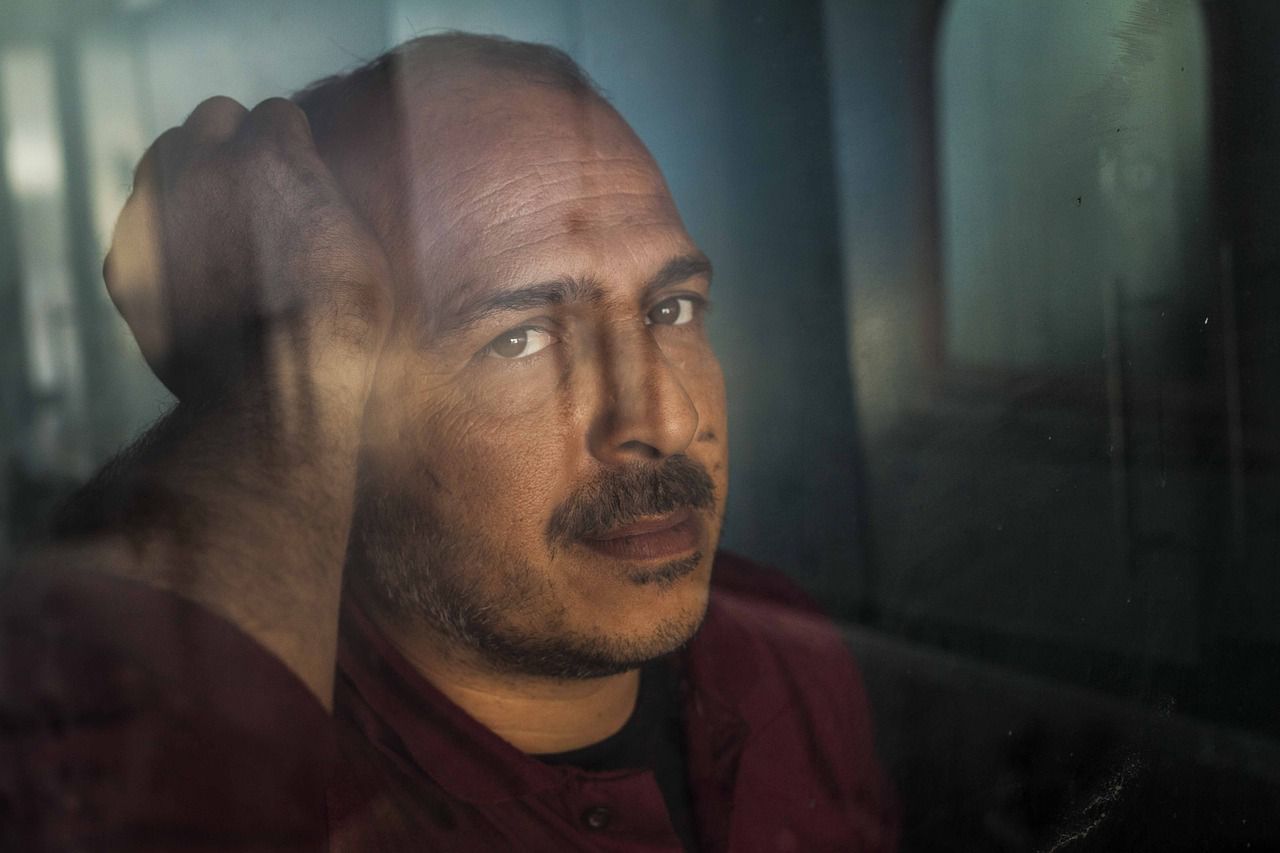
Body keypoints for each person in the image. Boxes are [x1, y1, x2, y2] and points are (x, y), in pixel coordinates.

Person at [1, 33, 896, 852]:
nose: (664, 421)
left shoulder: (779, 650)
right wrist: (283, 358)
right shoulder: (269, 777)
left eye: (671, 309)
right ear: (339, 403)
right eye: (520, 339)